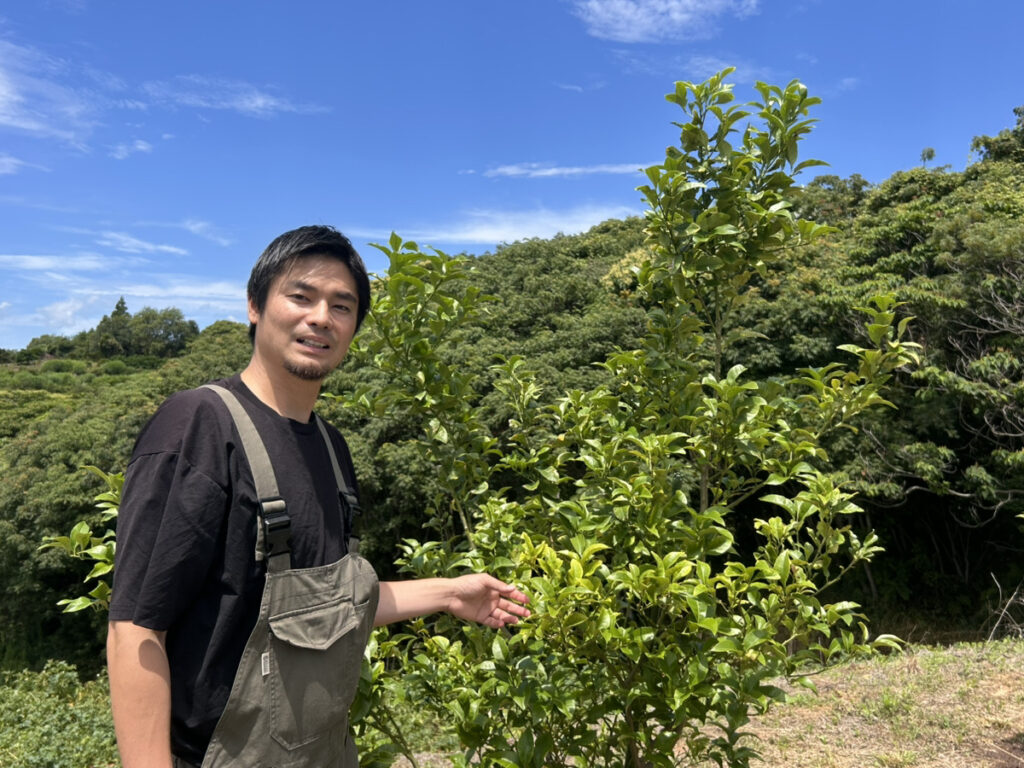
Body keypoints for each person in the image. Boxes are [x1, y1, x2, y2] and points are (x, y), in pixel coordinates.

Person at [106, 225, 530, 768]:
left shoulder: (331, 448)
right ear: (255, 306)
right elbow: (136, 628)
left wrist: (450, 594)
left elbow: (326, 608)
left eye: (342, 306)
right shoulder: (199, 427)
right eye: (301, 296)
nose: (321, 318)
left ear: (354, 328)